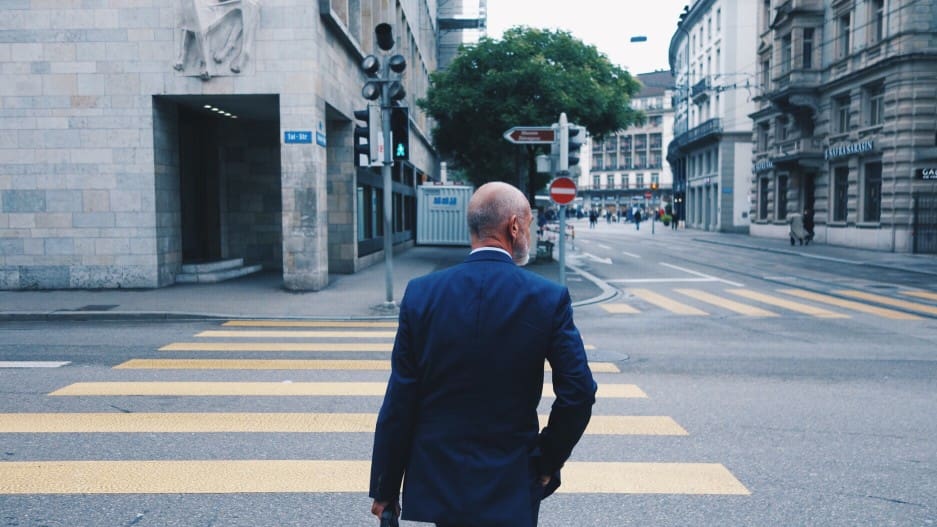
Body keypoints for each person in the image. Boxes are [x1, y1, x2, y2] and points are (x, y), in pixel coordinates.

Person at [369, 181, 597, 527]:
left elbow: (401, 399)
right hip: (512, 478)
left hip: (439, 480)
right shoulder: (547, 298)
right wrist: (546, 460)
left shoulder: (422, 294)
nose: (529, 235)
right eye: (530, 225)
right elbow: (579, 393)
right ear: (514, 226)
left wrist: (385, 488)